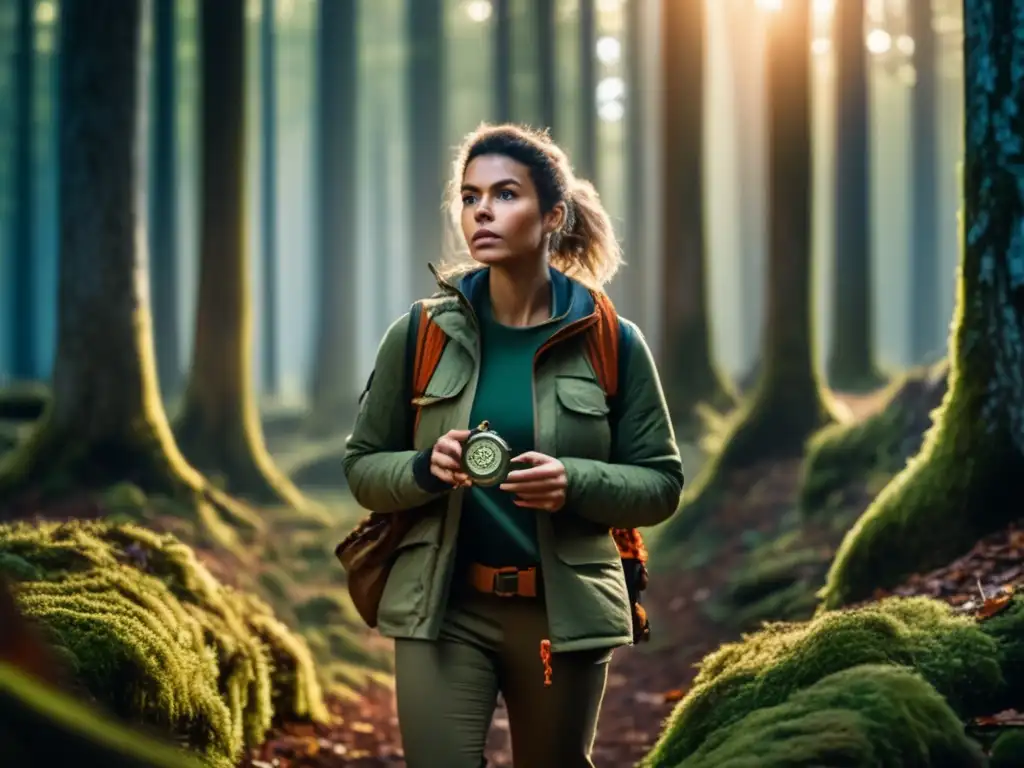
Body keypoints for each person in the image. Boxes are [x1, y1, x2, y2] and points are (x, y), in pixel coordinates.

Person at [342, 123, 683, 768]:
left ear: (553, 214)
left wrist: (574, 482)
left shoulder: (614, 341)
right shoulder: (419, 334)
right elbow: (362, 467)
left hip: (563, 612)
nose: (482, 212)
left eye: (504, 194)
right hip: (442, 608)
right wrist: (422, 467)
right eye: (470, 197)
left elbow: (661, 482)